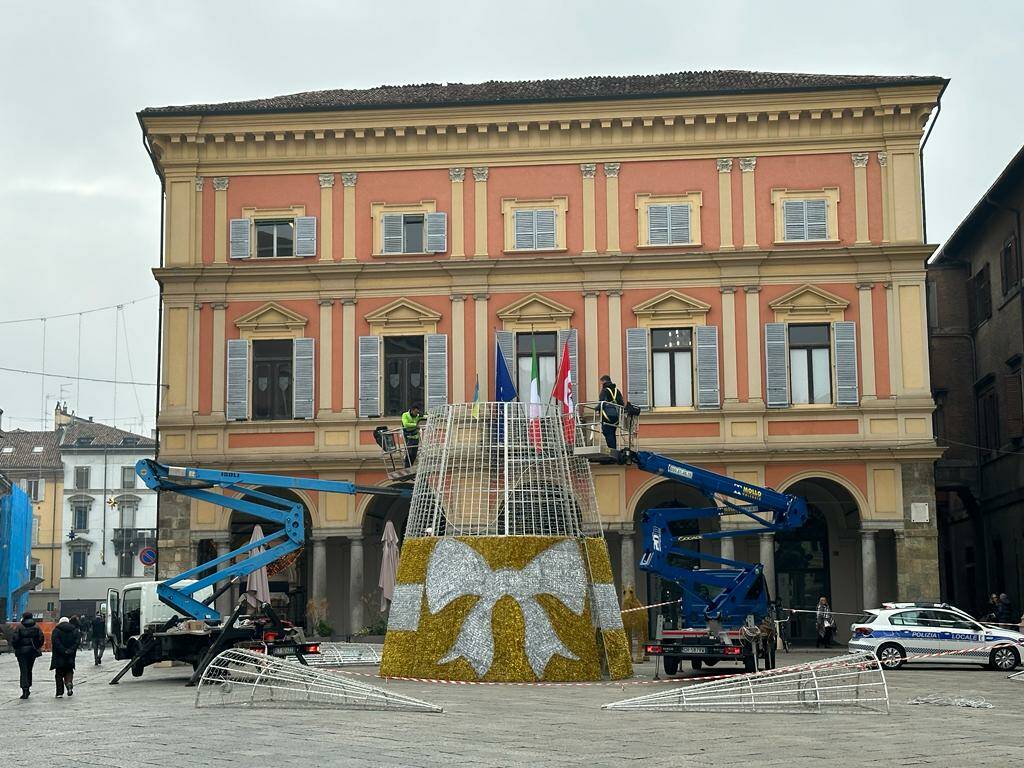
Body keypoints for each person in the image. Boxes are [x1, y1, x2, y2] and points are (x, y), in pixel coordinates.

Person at [11, 611, 44, 699]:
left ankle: (24, 689)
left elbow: (15, 639)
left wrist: (17, 648)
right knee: (29, 669)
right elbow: (41, 638)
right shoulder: (36, 627)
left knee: (23, 670)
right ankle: (28, 687)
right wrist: (37, 646)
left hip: (21, 652)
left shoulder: (19, 627)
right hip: (32, 651)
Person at [51, 616, 79, 698]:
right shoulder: (74, 630)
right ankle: (69, 682)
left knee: (59, 674)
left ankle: (59, 692)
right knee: (69, 670)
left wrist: (63, 650)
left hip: (59, 655)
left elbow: (55, 642)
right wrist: (70, 650)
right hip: (70, 655)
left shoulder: (56, 630)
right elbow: (77, 642)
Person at [598, 375, 624, 449]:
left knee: (607, 432)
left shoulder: (604, 391)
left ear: (604, 382)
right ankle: (614, 450)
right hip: (616, 417)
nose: (601, 385)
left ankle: (612, 450)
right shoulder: (617, 391)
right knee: (612, 433)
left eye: (601, 383)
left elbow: (601, 403)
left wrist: (596, 409)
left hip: (606, 416)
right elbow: (621, 403)